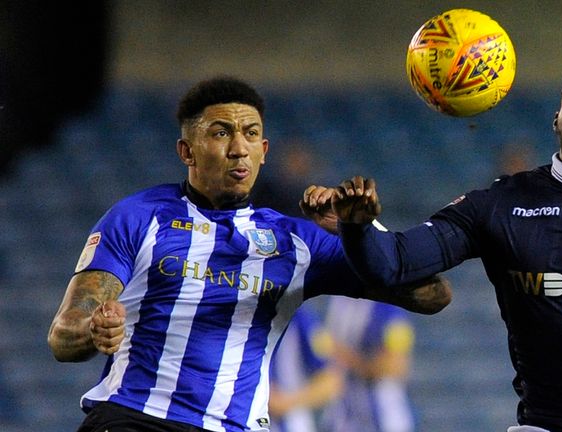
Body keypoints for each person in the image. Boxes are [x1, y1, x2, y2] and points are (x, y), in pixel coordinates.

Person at [304, 57, 562, 431]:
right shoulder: (500, 204)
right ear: (556, 118)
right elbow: (392, 263)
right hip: (547, 424)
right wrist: (357, 227)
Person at [47, 76, 451, 432]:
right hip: (135, 417)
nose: (239, 148)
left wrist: (356, 231)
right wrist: (93, 331)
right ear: (187, 151)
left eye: (251, 134)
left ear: (264, 149)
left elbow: (432, 294)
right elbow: (64, 336)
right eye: (221, 133)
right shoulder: (137, 217)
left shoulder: (297, 240)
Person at [320, 295, 417, 432]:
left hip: (383, 417)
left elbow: (396, 365)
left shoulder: (387, 307)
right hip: (342, 413)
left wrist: (347, 358)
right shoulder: (337, 300)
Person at [269, 304, 342, 432]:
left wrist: (285, 402)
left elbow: (331, 381)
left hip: (291, 425)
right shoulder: (229, 315)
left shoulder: (297, 316)